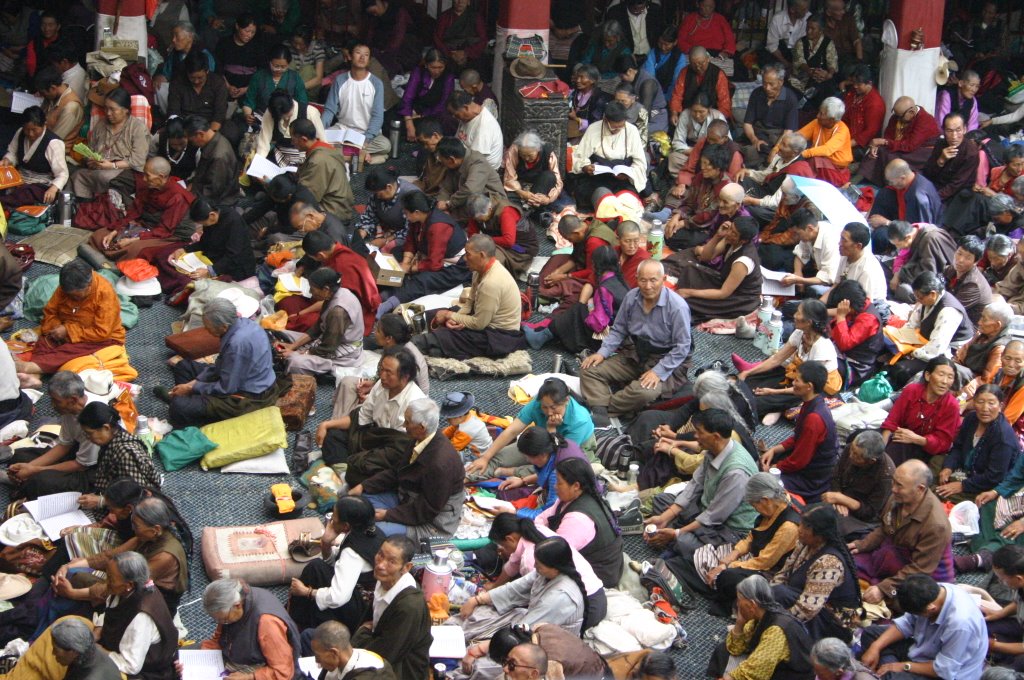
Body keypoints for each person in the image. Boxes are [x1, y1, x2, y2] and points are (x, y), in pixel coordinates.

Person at [580, 259, 692, 423]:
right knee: (588, 368)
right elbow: (619, 330)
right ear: (636, 278)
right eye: (643, 280)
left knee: (645, 392)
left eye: (653, 280)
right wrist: (602, 353)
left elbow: (682, 347)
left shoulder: (677, 307)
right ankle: (605, 409)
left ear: (664, 279)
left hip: (666, 360)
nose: (647, 286)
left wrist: (658, 372)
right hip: (637, 353)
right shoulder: (631, 297)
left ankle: (600, 407)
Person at [647, 408, 759, 568]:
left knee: (684, 541)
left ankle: (676, 541)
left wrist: (677, 534)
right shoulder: (714, 449)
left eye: (699, 432)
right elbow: (695, 485)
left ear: (715, 437)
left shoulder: (736, 472)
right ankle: (676, 536)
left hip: (727, 528)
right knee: (661, 501)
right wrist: (665, 516)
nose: (695, 436)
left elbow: (714, 516)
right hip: (704, 508)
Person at [347, 399, 465, 540]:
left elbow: (426, 510)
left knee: (372, 533)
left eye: (408, 422)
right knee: (359, 501)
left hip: (431, 523)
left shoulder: (440, 464)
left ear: (422, 427)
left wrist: (387, 515)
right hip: (408, 500)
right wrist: (363, 486)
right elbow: (396, 472)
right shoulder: (419, 439)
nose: (404, 425)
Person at [157, 297, 283, 427]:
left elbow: (226, 388)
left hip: (250, 397)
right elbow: (220, 366)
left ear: (223, 326)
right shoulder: (244, 324)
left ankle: (191, 413)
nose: (206, 330)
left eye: (208, 327)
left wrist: (192, 387)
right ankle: (182, 397)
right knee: (184, 366)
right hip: (239, 379)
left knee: (179, 407)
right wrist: (194, 383)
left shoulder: (236, 345)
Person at [851, 460, 955, 606]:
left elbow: (920, 569)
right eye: (893, 482)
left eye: (899, 485)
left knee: (903, 603)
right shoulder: (898, 497)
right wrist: (862, 545)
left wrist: (883, 588)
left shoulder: (936, 525)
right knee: (849, 564)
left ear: (920, 489)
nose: (893, 489)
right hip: (896, 555)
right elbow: (884, 528)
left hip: (923, 571)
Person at [412, 234, 526, 360]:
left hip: (498, 336)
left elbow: (479, 324)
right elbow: (469, 303)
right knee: (437, 314)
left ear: (482, 255)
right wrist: (456, 318)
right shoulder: (479, 270)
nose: (465, 258)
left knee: (444, 335)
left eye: (468, 254)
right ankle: (424, 341)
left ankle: (417, 345)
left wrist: (449, 316)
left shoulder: (491, 283)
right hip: (482, 319)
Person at [703, 472, 801, 616]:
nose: (755, 509)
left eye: (754, 505)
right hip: (756, 558)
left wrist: (726, 566)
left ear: (765, 500)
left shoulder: (789, 526)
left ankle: (734, 603)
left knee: (728, 576)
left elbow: (765, 562)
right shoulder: (775, 503)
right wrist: (733, 555)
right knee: (708, 553)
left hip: (773, 573)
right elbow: (752, 536)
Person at [455, 536, 588, 640]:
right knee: (481, 613)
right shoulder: (544, 573)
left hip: (547, 642)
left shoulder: (562, 597)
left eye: (539, 565)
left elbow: (526, 630)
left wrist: (485, 646)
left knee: (485, 663)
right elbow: (513, 590)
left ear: (554, 567)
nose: (535, 567)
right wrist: (477, 600)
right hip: (528, 622)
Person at [484, 514, 606, 626]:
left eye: (504, 546)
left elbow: (529, 602)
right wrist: (492, 589)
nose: (503, 550)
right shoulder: (534, 530)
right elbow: (514, 570)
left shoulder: (531, 560)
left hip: (589, 605)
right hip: (596, 595)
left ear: (510, 539)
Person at [859, 574, 987, 679]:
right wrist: (875, 647)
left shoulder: (960, 624)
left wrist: (903, 666)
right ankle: (887, 670)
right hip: (922, 651)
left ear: (930, 609)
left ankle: (888, 671)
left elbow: (944, 670)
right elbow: (906, 624)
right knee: (872, 635)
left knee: (894, 677)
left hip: (944, 673)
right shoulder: (935, 591)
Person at [315, 347, 425, 469]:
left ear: (405, 377)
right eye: (381, 370)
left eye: (389, 373)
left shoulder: (415, 403)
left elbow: (403, 445)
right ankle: (344, 473)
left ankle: (347, 470)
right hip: (374, 438)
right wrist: (326, 424)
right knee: (333, 436)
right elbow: (360, 417)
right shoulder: (381, 385)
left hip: (394, 451)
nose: (382, 376)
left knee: (374, 463)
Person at [290, 496, 385, 636]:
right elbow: (336, 563)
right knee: (318, 567)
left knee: (315, 568)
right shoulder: (371, 531)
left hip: (361, 608)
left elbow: (338, 597)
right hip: (361, 593)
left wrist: (307, 592)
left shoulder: (352, 554)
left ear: (346, 526)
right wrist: (326, 543)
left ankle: (297, 623)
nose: (331, 520)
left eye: (334, 517)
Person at [465, 377, 596, 480]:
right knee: (496, 458)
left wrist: (551, 429)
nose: (549, 412)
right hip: (539, 441)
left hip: (568, 451)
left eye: (554, 407)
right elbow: (512, 431)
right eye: (545, 407)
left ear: (566, 400)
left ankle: (515, 472)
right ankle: (463, 479)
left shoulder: (580, 420)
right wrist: (485, 457)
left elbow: (560, 458)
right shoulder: (538, 403)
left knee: (556, 472)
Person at [735, 299, 842, 417]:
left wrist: (773, 392)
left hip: (814, 389)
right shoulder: (800, 333)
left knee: (758, 401)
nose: (795, 316)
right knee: (750, 382)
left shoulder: (821, 347)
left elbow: (808, 386)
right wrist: (748, 372)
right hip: (799, 377)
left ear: (809, 322)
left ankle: (780, 409)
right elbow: (777, 359)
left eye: (799, 313)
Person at [18, 260, 125, 376]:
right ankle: (35, 375)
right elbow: (50, 311)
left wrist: (68, 331)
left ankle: (31, 368)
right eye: (69, 295)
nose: (72, 298)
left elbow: (102, 332)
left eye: (76, 295)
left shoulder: (105, 294)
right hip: (65, 327)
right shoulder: (66, 288)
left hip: (98, 338)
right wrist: (56, 327)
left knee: (69, 351)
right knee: (46, 340)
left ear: (89, 286)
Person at [771, 504, 862, 641]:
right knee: (770, 590)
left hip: (828, 622)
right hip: (800, 598)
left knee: (780, 594)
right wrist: (767, 596)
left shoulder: (828, 563)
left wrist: (774, 622)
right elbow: (784, 573)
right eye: (801, 524)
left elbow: (807, 610)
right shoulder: (805, 543)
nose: (799, 530)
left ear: (820, 535)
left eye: (806, 527)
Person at [351, 535, 432, 680]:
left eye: (391, 562)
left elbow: (386, 654)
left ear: (406, 568)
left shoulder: (409, 607)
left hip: (402, 669)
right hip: (376, 643)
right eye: (380, 555)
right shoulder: (384, 579)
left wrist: (361, 635)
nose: (381, 565)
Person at [757, 362, 840, 503]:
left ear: (809, 387)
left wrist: (772, 469)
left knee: (763, 484)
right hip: (806, 461)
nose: (793, 383)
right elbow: (798, 437)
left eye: (797, 380)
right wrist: (774, 450)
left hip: (813, 476)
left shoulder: (814, 418)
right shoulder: (812, 404)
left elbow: (798, 461)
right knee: (764, 461)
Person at [1, 372, 95, 495]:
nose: (52, 405)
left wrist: (34, 470)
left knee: (41, 480)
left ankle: (26, 487)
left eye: (56, 401)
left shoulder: (93, 421)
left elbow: (81, 465)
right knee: (20, 457)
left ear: (72, 399)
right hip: (76, 452)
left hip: (93, 470)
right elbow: (64, 445)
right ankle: (24, 481)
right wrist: (28, 466)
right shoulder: (70, 409)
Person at [706, 575, 815, 680]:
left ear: (752, 605)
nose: (737, 604)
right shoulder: (761, 614)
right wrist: (739, 623)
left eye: (739, 600)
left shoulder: (776, 631)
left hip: (788, 676)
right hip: (772, 669)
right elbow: (736, 649)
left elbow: (755, 672)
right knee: (723, 651)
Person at [87, 157, 196, 262]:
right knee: (99, 235)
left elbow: (164, 230)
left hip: (169, 234)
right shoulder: (150, 186)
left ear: (161, 176)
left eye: (147, 176)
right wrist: (115, 230)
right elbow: (134, 211)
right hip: (146, 224)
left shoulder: (177, 196)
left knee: (134, 250)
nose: (144, 179)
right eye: (144, 174)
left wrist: (131, 240)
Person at [537, 458, 623, 589]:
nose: (555, 487)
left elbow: (555, 555)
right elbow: (541, 519)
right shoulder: (571, 498)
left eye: (559, 483)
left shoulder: (578, 519)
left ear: (576, 486)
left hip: (599, 575)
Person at [528, 245, 628, 354]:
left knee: (578, 310)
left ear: (595, 264)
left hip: (608, 339)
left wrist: (590, 309)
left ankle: (541, 336)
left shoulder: (605, 289)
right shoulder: (619, 280)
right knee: (579, 309)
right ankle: (546, 334)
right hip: (622, 336)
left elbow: (598, 324)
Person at [93, 552, 178, 679]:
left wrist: (99, 650)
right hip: (116, 645)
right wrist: (99, 629)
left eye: (111, 579)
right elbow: (110, 612)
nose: (107, 582)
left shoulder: (141, 618)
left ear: (129, 585)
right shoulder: (122, 590)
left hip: (145, 670)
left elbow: (131, 666)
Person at [200, 578, 302, 679]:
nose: (221, 623)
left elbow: (283, 672)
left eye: (224, 620)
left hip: (261, 669)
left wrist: (249, 677)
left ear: (238, 605)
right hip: (238, 658)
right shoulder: (236, 599)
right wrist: (206, 652)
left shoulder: (268, 623)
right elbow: (219, 637)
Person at [382, 189, 471, 303]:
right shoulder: (416, 220)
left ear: (417, 212)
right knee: (396, 252)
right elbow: (411, 241)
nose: (405, 216)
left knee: (423, 279)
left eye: (406, 213)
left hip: (454, 266)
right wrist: (405, 262)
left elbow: (434, 264)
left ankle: (394, 297)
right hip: (428, 255)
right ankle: (395, 284)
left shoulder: (438, 226)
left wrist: (409, 268)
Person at [672, 215, 764, 323]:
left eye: (734, 233)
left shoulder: (743, 261)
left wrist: (689, 292)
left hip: (740, 299)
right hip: (724, 282)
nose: (729, 233)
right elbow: (705, 257)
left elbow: (723, 293)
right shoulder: (730, 240)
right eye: (731, 228)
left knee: (689, 301)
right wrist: (718, 236)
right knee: (690, 270)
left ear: (743, 240)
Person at [889, 273, 975, 388]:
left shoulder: (949, 312)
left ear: (933, 294)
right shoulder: (926, 300)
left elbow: (935, 349)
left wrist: (912, 351)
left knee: (901, 369)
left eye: (920, 297)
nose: (918, 300)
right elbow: (912, 325)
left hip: (947, 352)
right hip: (924, 342)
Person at [154, 198, 256, 295]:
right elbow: (205, 242)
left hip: (234, 266)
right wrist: (184, 249)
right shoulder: (212, 219)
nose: (204, 226)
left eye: (203, 223)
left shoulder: (233, 222)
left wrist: (210, 271)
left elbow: (233, 255)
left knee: (191, 282)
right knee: (164, 255)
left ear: (212, 215)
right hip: (213, 256)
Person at [937, 384, 1019, 502]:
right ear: (974, 403)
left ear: (1000, 406)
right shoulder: (971, 419)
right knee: (935, 463)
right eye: (980, 402)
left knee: (938, 492)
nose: (985, 408)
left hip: (985, 484)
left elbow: (995, 477)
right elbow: (958, 447)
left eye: (991, 403)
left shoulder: (1003, 436)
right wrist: (948, 467)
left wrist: (962, 485)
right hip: (966, 470)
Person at [276, 268, 364, 377]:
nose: (310, 292)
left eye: (312, 289)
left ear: (326, 289)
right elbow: (318, 326)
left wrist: (297, 353)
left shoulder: (338, 312)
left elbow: (328, 348)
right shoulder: (334, 294)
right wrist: (293, 346)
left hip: (341, 351)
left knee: (294, 362)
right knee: (284, 333)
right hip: (326, 339)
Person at [882, 356, 962, 468]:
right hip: (901, 436)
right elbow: (892, 421)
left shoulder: (951, 405)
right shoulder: (912, 391)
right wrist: (881, 447)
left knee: (896, 451)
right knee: (866, 439)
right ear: (928, 376)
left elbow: (943, 442)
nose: (945, 381)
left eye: (950, 377)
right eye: (941, 374)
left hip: (924, 448)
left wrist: (915, 438)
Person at [70, 89, 150, 201]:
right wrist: (91, 160)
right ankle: (83, 207)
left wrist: (112, 166)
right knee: (77, 175)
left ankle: (105, 208)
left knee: (103, 177)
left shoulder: (138, 128)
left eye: (112, 109)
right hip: (100, 168)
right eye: (106, 108)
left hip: (125, 171)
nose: (108, 113)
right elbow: (91, 149)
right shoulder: (101, 124)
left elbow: (138, 161)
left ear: (126, 110)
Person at [495, 428, 590, 519]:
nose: (528, 460)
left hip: (573, 508)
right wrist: (523, 480)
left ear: (543, 454)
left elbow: (548, 514)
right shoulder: (557, 445)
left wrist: (514, 513)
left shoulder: (557, 474)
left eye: (528, 457)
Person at [301, 231, 380, 337]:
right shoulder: (339, 250)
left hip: (358, 314)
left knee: (304, 321)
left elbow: (337, 299)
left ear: (320, 255)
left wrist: (301, 313)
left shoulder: (342, 265)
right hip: (336, 300)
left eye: (313, 258)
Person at [461, 622, 606, 680]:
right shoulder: (537, 628)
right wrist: (476, 650)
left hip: (593, 673)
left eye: (510, 664)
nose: (505, 668)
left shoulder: (551, 666)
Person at [322, 43, 391, 163]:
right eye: (358, 53)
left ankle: (346, 155)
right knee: (322, 140)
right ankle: (361, 157)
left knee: (385, 145)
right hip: (342, 130)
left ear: (369, 60)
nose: (362, 57)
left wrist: (366, 139)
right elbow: (329, 110)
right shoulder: (340, 80)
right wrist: (321, 130)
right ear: (349, 56)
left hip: (365, 133)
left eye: (366, 55)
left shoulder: (376, 83)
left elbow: (378, 116)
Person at [822, 429, 895, 541]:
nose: (851, 456)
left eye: (856, 455)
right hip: (841, 497)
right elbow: (835, 476)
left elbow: (870, 512)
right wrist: (838, 494)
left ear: (871, 461)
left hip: (861, 516)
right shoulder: (852, 448)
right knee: (816, 514)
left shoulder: (885, 476)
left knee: (830, 527)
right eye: (851, 450)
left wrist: (843, 499)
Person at [858, 97, 941, 187]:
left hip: (920, 152)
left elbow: (910, 145)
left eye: (900, 116)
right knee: (880, 150)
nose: (897, 118)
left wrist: (884, 142)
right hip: (903, 146)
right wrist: (880, 144)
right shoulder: (898, 116)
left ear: (912, 112)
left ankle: (885, 185)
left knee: (890, 156)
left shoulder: (925, 120)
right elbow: (888, 135)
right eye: (895, 114)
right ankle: (865, 178)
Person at [538, 214, 619, 304]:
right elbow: (577, 256)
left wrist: (564, 277)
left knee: (568, 284)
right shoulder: (585, 225)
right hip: (585, 262)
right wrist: (558, 272)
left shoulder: (595, 242)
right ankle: (538, 287)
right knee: (557, 258)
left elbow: (591, 271)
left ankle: (547, 294)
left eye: (569, 239)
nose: (570, 241)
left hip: (600, 273)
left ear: (576, 233)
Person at [0, 106, 68, 211]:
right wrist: (7, 160)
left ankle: (4, 204)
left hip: (41, 184)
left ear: (44, 125)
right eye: (27, 130)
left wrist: (53, 189)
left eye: (34, 130)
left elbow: (62, 174)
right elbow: (12, 153)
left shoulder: (53, 143)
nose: (30, 134)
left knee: (25, 193)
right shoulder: (20, 133)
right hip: (20, 178)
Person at [867, 159, 944, 249]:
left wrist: (887, 223)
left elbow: (917, 231)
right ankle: (871, 222)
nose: (891, 184)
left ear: (902, 178)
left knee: (880, 236)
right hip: (903, 212)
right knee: (884, 193)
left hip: (915, 230)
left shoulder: (918, 198)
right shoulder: (913, 177)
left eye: (892, 182)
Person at [739, 132, 814, 224]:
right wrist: (749, 172)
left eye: (784, 145)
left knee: (751, 210)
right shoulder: (779, 157)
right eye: (781, 142)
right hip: (767, 192)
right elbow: (765, 175)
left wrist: (752, 201)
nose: (779, 146)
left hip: (780, 208)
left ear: (794, 153)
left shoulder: (796, 172)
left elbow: (775, 202)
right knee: (742, 179)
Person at [291, 118, 355, 223]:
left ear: (303, 139)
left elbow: (306, 196)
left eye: (293, 139)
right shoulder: (324, 148)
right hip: (337, 204)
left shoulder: (318, 161)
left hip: (333, 211)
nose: (292, 143)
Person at [826, 280, 885, 387]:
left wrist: (841, 317)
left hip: (856, 366)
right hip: (842, 354)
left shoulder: (868, 319)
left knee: (821, 361)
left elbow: (845, 343)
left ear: (849, 305)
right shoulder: (859, 305)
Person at [465, 195, 538, 278]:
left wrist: (484, 239)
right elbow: (472, 234)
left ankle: (491, 278)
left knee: (490, 258)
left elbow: (508, 241)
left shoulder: (506, 212)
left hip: (519, 248)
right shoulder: (476, 213)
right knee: (474, 252)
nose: (478, 221)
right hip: (495, 240)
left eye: (479, 218)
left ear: (489, 210)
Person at [741, 63, 800, 168]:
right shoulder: (757, 93)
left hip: (777, 138)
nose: (767, 88)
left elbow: (788, 131)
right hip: (758, 134)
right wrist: (754, 139)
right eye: (764, 83)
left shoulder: (790, 99)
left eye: (771, 84)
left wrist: (775, 149)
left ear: (781, 82)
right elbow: (747, 123)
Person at [167, 52, 231, 143]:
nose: (196, 81)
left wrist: (210, 136)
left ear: (207, 71)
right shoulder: (177, 83)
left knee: (230, 134)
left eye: (200, 78)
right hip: (185, 127)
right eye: (192, 78)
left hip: (210, 126)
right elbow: (173, 111)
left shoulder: (218, 83)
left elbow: (219, 113)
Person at [435, 137, 506, 220]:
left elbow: (471, 190)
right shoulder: (453, 165)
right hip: (465, 200)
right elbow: (446, 187)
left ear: (452, 159)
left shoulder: (477, 162)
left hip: (490, 203)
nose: (443, 164)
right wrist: (441, 201)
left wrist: (448, 204)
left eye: (443, 161)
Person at [356, 166, 422, 253]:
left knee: (386, 251)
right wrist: (361, 234)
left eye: (379, 194)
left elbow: (410, 230)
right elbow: (368, 216)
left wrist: (386, 240)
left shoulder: (410, 196)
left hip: (406, 234)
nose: (377, 197)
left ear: (389, 187)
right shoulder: (377, 195)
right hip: (387, 228)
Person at [252, 90, 326, 168]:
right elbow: (264, 141)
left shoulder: (310, 112)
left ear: (292, 105)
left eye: (288, 115)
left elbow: (322, 142)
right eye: (282, 117)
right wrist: (258, 165)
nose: (286, 118)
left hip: (306, 160)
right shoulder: (271, 113)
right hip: (280, 158)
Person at [886, 224, 957, 304]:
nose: (898, 248)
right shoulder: (916, 230)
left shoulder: (928, 239)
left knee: (904, 290)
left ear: (908, 238)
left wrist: (901, 274)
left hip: (940, 281)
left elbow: (928, 274)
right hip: (915, 269)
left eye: (898, 244)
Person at [240, 45, 307, 124]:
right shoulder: (259, 76)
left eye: (283, 67)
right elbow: (249, 101)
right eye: (276, 66)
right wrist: (247, 115)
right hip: (262, 118)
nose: (279, 69)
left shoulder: (294, 77)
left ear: (288, 64)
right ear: (270, 62)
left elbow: (302, 101)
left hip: (287, 119)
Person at [922, 113, 981, 202]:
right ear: (944, 131)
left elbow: (956, 185)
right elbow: (927, 172)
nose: (954, 136)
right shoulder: (941, 143)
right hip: (937, 184)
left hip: (958, 192)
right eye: (949, 131)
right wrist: (941, 160)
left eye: (958, 130)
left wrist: (933, 198)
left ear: (965, 129)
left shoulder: (971, 153)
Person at [399, 49, 457, 140]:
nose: (437, 71)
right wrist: (408, 122)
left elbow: (444, 102)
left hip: (435, 113)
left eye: (440, 67)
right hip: (414, 111)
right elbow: (408, 97)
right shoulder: (418, 72)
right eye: (433, 67)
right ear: (426, 65)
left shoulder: (448, 77)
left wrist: (423, 115)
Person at [668, 93, 729, 177]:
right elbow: (677, 143)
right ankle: (691, 178)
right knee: (673, 158)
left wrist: (708, 156)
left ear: (709, 109)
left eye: (701, 112)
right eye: (694, 111)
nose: (697, 115)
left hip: (714, 156)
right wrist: (696, 153)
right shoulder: (685, 114)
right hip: (692, 151)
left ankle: (695, 177)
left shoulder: (718, 116)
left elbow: (727, 142)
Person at [309, 621, 396, 680]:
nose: (317, 661)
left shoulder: (370, 675)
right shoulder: (336, 662)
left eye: (318, 656)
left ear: (334, 653)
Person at [503, 131, 564, 214]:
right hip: (520, 185)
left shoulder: (548, 153)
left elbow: (558, 181)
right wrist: (522, 193)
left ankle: (531, 208)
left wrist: (548, 199)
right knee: (506, 197)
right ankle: (533, 210)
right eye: (523, 155)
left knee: (549, 176)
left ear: (538, 149)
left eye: (530, 155)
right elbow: (509, 177)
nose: (526, 158)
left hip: (540, 185)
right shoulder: (514, 150)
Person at [797, 96, 852, 187]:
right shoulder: (817, 122)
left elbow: (827, 150)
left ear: (832, 120)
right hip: (822, 164)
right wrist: (778, 148)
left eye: (822, 114)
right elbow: (798, 136)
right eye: (819, 112)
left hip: (836, 171)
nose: (817, 115)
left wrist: (802, 154)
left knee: (813, 160)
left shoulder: (842, 130)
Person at [185, 115, 240, 207]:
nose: (191, 144)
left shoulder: (219, 157)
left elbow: (213, 190)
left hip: (220, 202)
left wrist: (191, 195)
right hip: (203, 188)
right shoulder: (215, 140)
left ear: (200, 134)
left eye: (191, 141)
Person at [782, 216, 841, 299]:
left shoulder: (830, 242)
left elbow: (828, 278)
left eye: (798, 233)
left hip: (829, 278)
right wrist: (798, 272)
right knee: (789, 263)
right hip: (816, 267)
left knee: (812, 291)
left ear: (809, 228)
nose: (798, 237)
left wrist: (799, 280)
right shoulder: (810, 233)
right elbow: (801, 253)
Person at [669, 46, 732, 123]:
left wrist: (715, 120)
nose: (698, 67)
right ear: (689, 61)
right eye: (694, 64)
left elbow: (724, 102)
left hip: (711, 115)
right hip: (689, 114)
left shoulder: (718, 74)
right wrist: (674, 113)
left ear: (708, 59)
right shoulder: (684, 72)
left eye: (701, 63)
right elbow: (677, 95)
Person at [790, 14, 838, 112]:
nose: (809, 31)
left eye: (813, 28)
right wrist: (810, 71)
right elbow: (800, 61)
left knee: (826, 87)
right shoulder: (801, 42)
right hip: (803, 78)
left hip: (821, 79)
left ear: (821, 30)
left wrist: (829, 74)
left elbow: (832, 62)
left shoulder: (828, 43)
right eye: (807, 28)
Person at [213, 13, 264, 106]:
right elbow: (218, 68)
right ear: (237, 26)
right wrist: (228, 87)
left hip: (250, 88)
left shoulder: (257, 47)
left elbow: (261, 72)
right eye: (247, 31)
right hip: (225, 85)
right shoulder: (224, 43)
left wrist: (246, 89)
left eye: (253, 32)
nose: (249, 35)